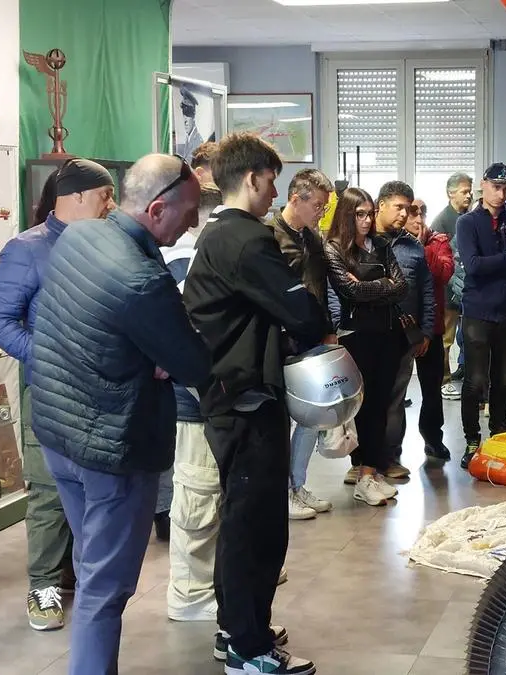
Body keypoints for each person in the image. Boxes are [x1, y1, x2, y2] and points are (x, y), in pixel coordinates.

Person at [29, 154, 211, 674]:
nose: (194, 222)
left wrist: (148, 352)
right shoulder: (141, 279)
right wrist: (161, 356)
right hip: (110, 448)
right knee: (102, 593)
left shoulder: (79, 236)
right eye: (191, 210)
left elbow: (75, 327)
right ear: (156, 208)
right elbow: (194, 362)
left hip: (59, 433)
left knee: (92, 575)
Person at [183, 133, 326, 675]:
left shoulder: (217, 232)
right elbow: (303, 314)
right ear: (250, 179)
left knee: (241, 519)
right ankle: (249, 647)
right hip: (244, 399)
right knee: (258, 525)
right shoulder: (246, 239)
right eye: (270, 182)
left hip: (229, 394)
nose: (275, 193)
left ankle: (236, 628)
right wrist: (315, 324)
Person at [0, 159, 115, 632]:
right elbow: (1, 320)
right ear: (78, 196)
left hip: (103, 395)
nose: (111, 205)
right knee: (47, 492)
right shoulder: (27, 249)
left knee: (96, 491)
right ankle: (42, 585)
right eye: (105, 196)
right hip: (47, 393)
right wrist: (45, 358)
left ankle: (82, 577)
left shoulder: (109, 244)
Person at [162, 182, 224, 623]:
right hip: (192, 399)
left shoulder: (196, 256)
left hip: (209, 397)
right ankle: (189, 594)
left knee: (208, 496)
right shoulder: (181, 260)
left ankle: (204, 585)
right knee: (198, 498)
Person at [325, 187, 408, 505]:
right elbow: (348, 291)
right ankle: (363, 474)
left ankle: (372, 472)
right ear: (347, 215)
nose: (367, 219)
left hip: (388, 335)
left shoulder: (383, 245)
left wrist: (368, 286)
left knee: (381, 407)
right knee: (362, 406)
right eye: (360, 213)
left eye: (370, 213)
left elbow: (401, 286)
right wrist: (381, 285)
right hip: (356, 337)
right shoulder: (334, 249)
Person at [266, 168, 336, 520]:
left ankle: (298, 484)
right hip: (278, 341)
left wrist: (328, 329)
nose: (321, 213)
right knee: (279, 420)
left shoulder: (313, 238)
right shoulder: (268, 235)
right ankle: (281, 492)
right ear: (296, 198)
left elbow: (319, 289)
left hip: (311, 337)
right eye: (318, 206)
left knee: (311, 416)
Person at [456, 163, 506, 469]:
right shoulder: (467, 222)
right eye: (496, 187)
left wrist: (502, 262)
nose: (501, 194)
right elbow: (472, 266)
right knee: (475, 381)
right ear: (483, 185)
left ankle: (498, 437)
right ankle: (472, 440)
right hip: (477, 313)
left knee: (502, 380)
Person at [375, 181, 434, 479]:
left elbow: (427, 291)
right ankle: (364, 463)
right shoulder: (362, 242)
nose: (403, 215)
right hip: (367, 336)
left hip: (403, 335)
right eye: (398, 207)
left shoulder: (413, 248)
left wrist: (425, 331)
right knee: (368, 400)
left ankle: (391, 458)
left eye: (408, 209)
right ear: (381, 205)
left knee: (396, 400)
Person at [406, 198, 454, 460]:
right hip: (398, 327)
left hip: (431, 326)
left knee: (432, 388)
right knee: (391, 394)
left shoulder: (439, 242)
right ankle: (388, 449)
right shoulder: (392, 241)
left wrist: (421, 247)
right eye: (412, 212)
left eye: (421, 212)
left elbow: (443, 274)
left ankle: (432, 438)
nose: (417, 217)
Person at [432, 173, 473, 391]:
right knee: (446, 339)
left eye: (470, 191)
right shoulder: (441, 222)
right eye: (464, 191)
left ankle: (464, 371)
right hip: (449, 292)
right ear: (451, 193)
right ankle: (444, 380)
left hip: (470, 290)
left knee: (467, 336)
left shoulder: (470, 217)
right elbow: (442, 260)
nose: (469, 195)